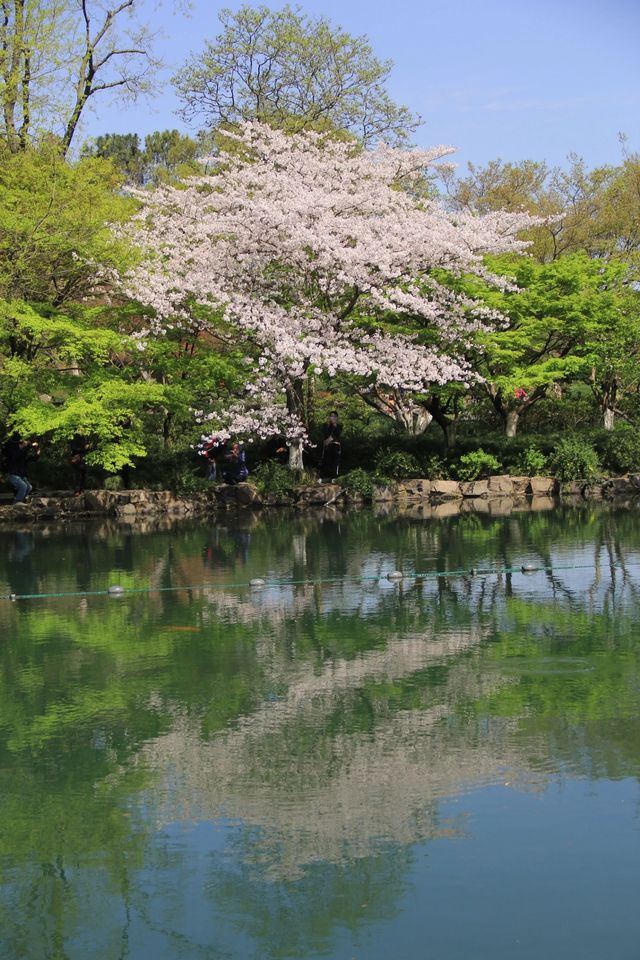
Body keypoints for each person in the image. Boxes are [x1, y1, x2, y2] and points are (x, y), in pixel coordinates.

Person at [2, 436, 40, 503]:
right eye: (25, 442)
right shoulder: (15, 452)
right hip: (12, 474)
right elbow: (18, 455)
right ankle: (17, 502)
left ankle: (21, 500)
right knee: (23, 486)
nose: (26, 443)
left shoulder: (23, 455)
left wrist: (37, 451)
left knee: (29, 487)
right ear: (21, 443)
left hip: (20, 475)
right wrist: (30, 445)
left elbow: (32, 458)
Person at [319, 411, 342, 480]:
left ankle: (334, 476)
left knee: (335, 460)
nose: (332, 418)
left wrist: (335, 425)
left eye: (334, 416)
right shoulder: (325, 425)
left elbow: (337, 434)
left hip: (335, 445)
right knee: (326, 460)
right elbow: (324, 434)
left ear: (336, 418)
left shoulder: (339, 426)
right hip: (327, 445)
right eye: (331, 416)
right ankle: (323, 476)